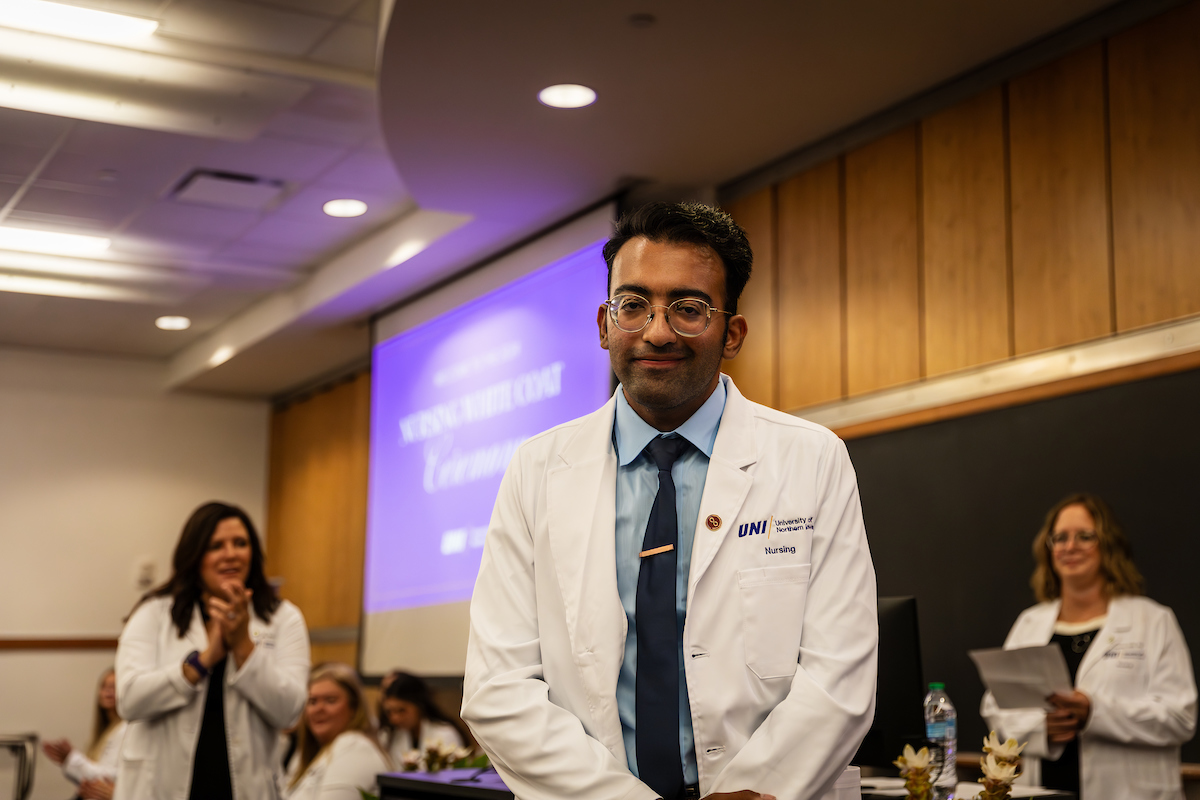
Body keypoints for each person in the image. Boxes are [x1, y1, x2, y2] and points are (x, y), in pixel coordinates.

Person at [462, 202, 878, 800]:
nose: (657, 332)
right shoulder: (536, 469)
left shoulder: (811, 458)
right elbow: (498, 687)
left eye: (688, 308)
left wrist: (757, 791)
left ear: (731, 333)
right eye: (634, 306)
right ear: (606, 324)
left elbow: (839, 673)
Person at [981, 493, 1197, 800]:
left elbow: (1180, 719)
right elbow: (995, 707)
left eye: (1085, 536)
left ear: (1108, 545)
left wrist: (1095, 712)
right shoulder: (1030, 624)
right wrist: (1041, 727)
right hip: (1042, 791)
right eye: (1060, 537)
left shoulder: (1153, 621)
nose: (1070, 547)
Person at [114, 501, 311, 800]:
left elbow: (290, 712)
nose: (230, 554)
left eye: (240, 543)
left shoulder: (283, 618)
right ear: (195, 556)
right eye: (216, 545)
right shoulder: (154, 613)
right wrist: (202, 663)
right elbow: (129, 700)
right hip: (159, 788)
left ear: (253, 554)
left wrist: (244, 646)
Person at [283, 663, 392, 800]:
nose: (319, 709)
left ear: (354, 707)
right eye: (312, 701)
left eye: (330, 700)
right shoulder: (312, 752)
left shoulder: (355, 747)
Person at [42, 667, 127, 800]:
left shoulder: (124, 729)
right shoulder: (106, 731)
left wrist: (71, 759)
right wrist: (69, 761)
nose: (108, 691)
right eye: (104, 686)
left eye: (114, 686)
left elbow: (106, 780)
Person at [380, 671, 465, 764]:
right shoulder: (391, 737)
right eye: (389, 712)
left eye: (402, 710)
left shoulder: (445, 734)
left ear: (419, 706)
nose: (394, 718)